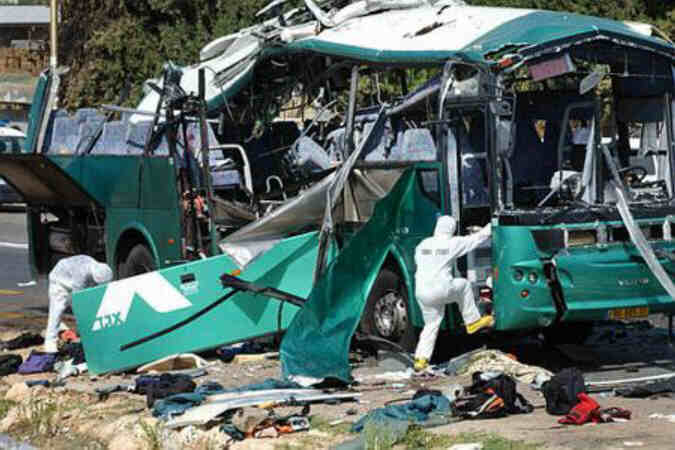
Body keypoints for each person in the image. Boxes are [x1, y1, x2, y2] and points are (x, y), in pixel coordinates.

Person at [413, 216, 494, 371]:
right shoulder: (452, 243)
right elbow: (477, 239)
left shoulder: (423, 244)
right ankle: (472, 321)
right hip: (441, 288)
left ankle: (421, 359)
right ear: (451, 229)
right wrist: (493, 224)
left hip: (422, 292)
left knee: (431, 324)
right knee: (464, 285)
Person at [44, 255, 113, 353]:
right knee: (56, 311)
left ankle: (85, 334)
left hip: (71, 278)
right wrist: (83, 323)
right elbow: (78, 301)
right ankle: (50, 342)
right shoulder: (81, 273)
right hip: (59, 281)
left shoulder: (98, 268)